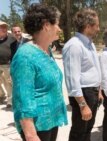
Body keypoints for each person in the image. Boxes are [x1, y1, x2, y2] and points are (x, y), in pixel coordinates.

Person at [10, 4, 68, 141]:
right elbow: (22, 99)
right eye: (57, 25)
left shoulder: (46, 51)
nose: (59, 29)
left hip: (50, 121)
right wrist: (31, 135)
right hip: (37, 128)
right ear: (47, 25)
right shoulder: (25, 56)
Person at [62, 8, 102, 141]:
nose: (98, 29)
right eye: (96, 25)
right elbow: (72, 79)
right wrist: (83, 105)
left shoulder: (90, 44)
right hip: (83, 94)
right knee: (79, 132)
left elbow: (93, 69)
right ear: (87, 26)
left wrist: (99, 91)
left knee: (87, 130)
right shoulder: (74, 45)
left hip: (92, 93)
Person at [0, 20, 16, 107]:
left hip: (7, 64)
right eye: (1, 27)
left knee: (8, 82)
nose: (3, 29)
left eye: (5, 27)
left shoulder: (12, 38)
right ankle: (1, 95)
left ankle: (10, 100)